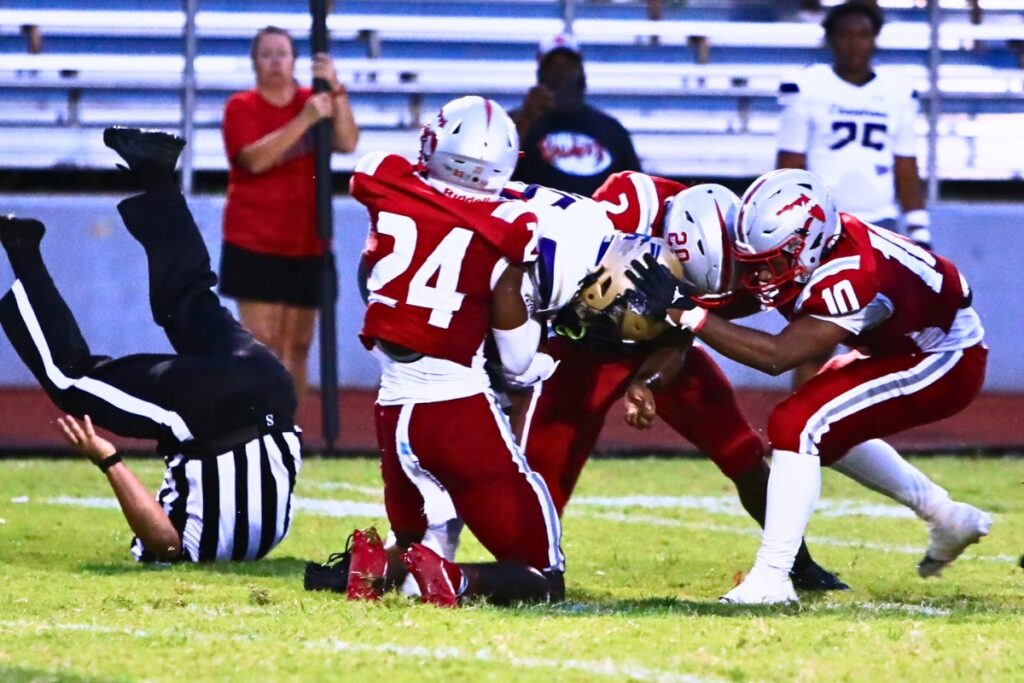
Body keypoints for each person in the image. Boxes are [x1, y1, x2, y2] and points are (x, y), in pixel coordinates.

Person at [627, 168, 992, 604]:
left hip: (944, 358)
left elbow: (777, 357)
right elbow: (705, 315)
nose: (761, 276)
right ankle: (946, 517)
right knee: (822, 431)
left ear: (811, 242)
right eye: (756, 261)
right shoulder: (801, 254)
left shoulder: (851, 273)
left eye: (773, 262)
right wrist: (654, 356)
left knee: (798, 424)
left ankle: (773, 577)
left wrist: (688, 312)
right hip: (898, 347)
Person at [503, 174, 847, 591]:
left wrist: (646, 382)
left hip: (657, 342)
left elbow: (681, 336)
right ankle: (526, 569)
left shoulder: (743, 268)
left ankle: (797, 562)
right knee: (544, 463)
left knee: (740, 450)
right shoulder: (629, 206)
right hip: (582, 347)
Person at [0, 127, 302, 563]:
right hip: (211, 414)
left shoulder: (264, 540)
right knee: (71, 378)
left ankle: (156, 171)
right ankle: (21, 249)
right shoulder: (195, 549)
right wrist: (108, 460)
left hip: (272, 386)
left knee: (188, 298)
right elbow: (165, 543)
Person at [334, 96, 564, 607]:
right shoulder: (510, 221)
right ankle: (458, 582)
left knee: (420, 533)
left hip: (392, 408)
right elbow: (519, 358)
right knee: (544, 576)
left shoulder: (386, 179)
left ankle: (381, 566)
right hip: (456, 408)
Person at [777, 1, 931, 386]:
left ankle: (854, 430)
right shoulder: (808, 87)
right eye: (845, 34)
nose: (854, 44)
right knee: (814, 339)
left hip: (878, 228)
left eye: (862, 34)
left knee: (879, 341)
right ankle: (801, 432)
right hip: (825, 230)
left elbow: (906, 166)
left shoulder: (897, 94)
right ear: (829, 39)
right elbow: (789, 164)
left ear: (875, 40)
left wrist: (920, 231)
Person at [219, 26, 359, 407]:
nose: (275, 62)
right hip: (255, 240)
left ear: (295, 61)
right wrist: (304, 120)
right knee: (263, 346)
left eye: (282, 53)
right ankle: (259, 428)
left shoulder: (314, 99)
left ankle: (289, 432)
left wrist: (335, 89)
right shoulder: (241, 107)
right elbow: (254, 159)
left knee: (298, 347)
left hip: (307, 240)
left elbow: (347, 142)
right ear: (254, 62)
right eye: (266, 54)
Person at [510, 34, 641, 197]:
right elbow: (497, 173)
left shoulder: (611, 130)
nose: (562, 76)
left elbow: (636, 191)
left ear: (581, 74)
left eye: (568, 67)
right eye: (554, 68)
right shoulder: (514, 125)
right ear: (541, 75)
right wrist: (527, 119)